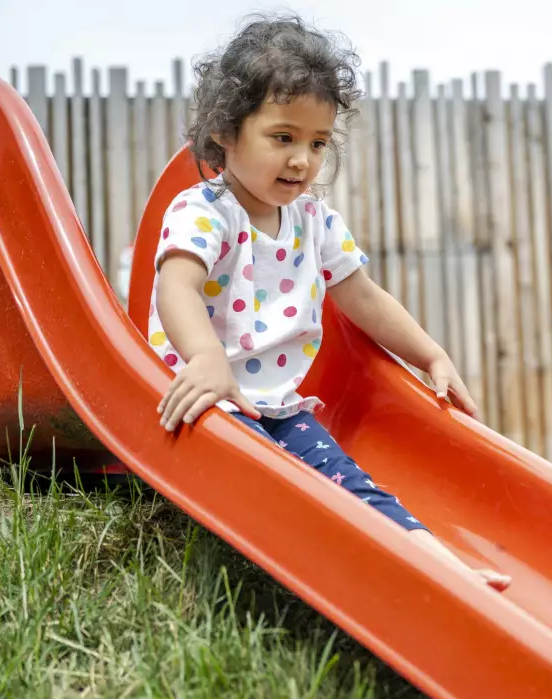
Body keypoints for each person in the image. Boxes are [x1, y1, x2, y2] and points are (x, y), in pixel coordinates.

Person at [146, 13, 510, 592]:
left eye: (317, 143)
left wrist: (430, 353)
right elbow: (176, 286)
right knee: (279, 482)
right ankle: (355, 570)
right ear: (225, 131)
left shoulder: (314, 221)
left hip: (278, 405)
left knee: (347, 479)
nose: (302, 160)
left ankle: (445, 572)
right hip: (205, 400)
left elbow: (362, 295)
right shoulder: (204, 210)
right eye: (282, 137)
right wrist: (206, 359)